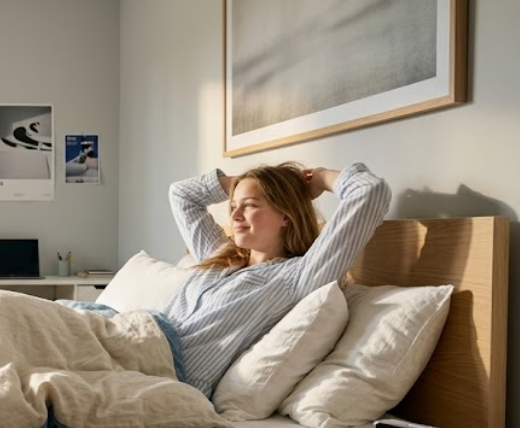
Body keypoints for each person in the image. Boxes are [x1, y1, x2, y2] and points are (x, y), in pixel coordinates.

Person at [165, 162, 391, 399]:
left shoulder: (299, 275)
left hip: (167, 373)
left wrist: (321, 178)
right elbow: (182, 194)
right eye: (233, 205)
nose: (234, 215)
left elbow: (370, 190)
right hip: (142, 339)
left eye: (250, 205)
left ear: (285, 215)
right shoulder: (220, 255)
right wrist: (241, 184)